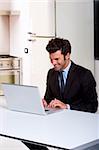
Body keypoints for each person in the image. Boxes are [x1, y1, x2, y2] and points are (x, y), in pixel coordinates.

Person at [43, 38, 98, 113]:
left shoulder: (84, 75)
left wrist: (67, 107)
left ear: (67, 56)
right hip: (56, 119)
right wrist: (46, 103)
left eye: (56, 59)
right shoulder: (51, 73)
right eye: (51, 59)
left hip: (77, 120)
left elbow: (92, 106)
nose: (53, 63)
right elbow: (48, 98)